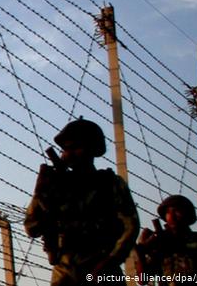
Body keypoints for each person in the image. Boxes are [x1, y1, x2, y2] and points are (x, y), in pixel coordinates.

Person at [25, 118, 140, 286]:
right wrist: (40, 194)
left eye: (76, 147)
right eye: (65, 149)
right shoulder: (56, 186)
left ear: (94, 149)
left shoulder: (110, 183)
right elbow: (32, 227)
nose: (69, 154)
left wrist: (111, 260)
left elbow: (130, 226)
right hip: (65, 270)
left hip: (102, 267)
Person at [135, 195, 197, 285]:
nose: (171, 216)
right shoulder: (161, 244)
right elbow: (143, 280)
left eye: (177, 211)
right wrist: (141, 253)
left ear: (188, 214)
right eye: (167, 212)